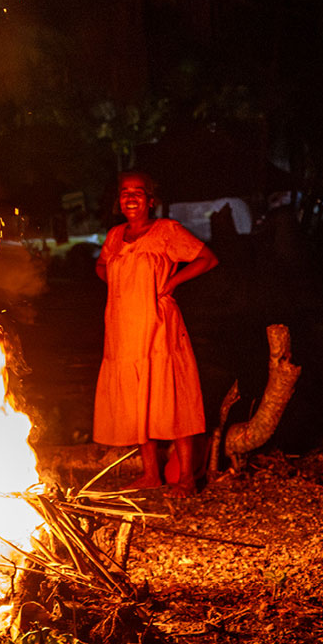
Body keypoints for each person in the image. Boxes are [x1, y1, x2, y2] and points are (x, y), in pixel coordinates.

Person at [95, 170, 217, 492]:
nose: (131, 196)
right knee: (138, 398)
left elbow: (207, 258)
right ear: (119, 201)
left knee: (173, 396)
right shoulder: (115, 236)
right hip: (123, 328)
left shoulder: (166, 231)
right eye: (125, 192)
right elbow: (101, 265)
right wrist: (120, 286)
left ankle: (188, 478)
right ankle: (151, 474)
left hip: (159, 325)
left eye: (139, 191)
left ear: (151, 200)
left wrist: (171, 283)